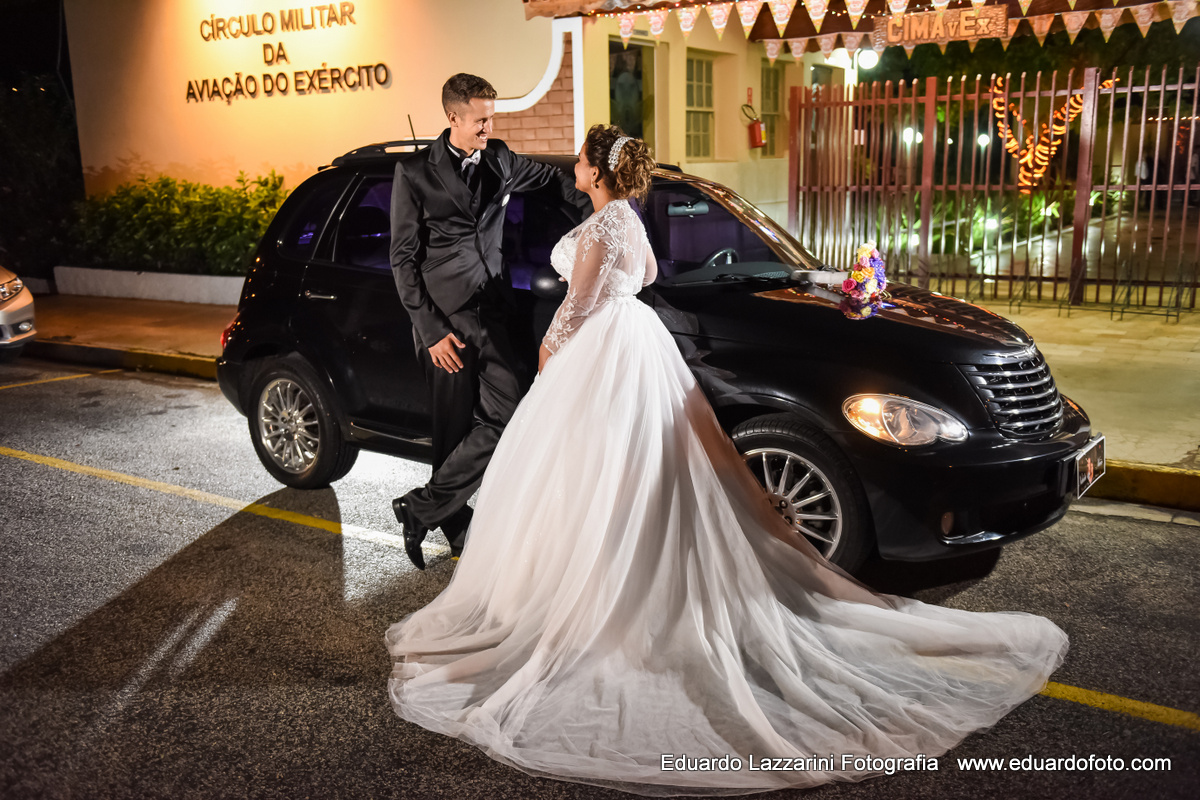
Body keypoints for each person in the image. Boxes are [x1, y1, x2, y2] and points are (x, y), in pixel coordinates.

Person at [385, 125, 1068, 794]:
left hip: (596, 351)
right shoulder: (632, 223)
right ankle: (625, 574)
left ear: (596, 170)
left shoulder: (600, 228)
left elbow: (577, 307)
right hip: (640, 347)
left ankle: (587, 597)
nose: (576, 170)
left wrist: (549, 357)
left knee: (586, 476)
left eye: (583, 162)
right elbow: (645, 277)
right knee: (646, 472)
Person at [389, 73, 589, 570]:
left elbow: (557, 183)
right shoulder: (414, 173)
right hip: (446, 322)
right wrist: (432, 332)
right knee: (452, 429)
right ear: (453, 117)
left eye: (491, 118)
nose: (488, 127)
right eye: (481, 119)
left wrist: (602, 216)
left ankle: (421, 507)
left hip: (495, 312)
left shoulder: (501, 158)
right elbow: (402, 261)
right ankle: (454, 526)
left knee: (511, 410)